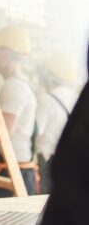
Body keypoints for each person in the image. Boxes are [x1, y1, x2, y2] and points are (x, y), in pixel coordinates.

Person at [0, 26, 38, 197]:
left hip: (12, 172)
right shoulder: (19, 84)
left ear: (6, 52)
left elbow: (3, 132)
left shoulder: (14, 87)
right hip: (14, 169)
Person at [35, 52, 79, 194]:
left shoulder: (46, 99)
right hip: (73, 158)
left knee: (46, 201)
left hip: (50, 160)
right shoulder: (76, 97)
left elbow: (36, 133)